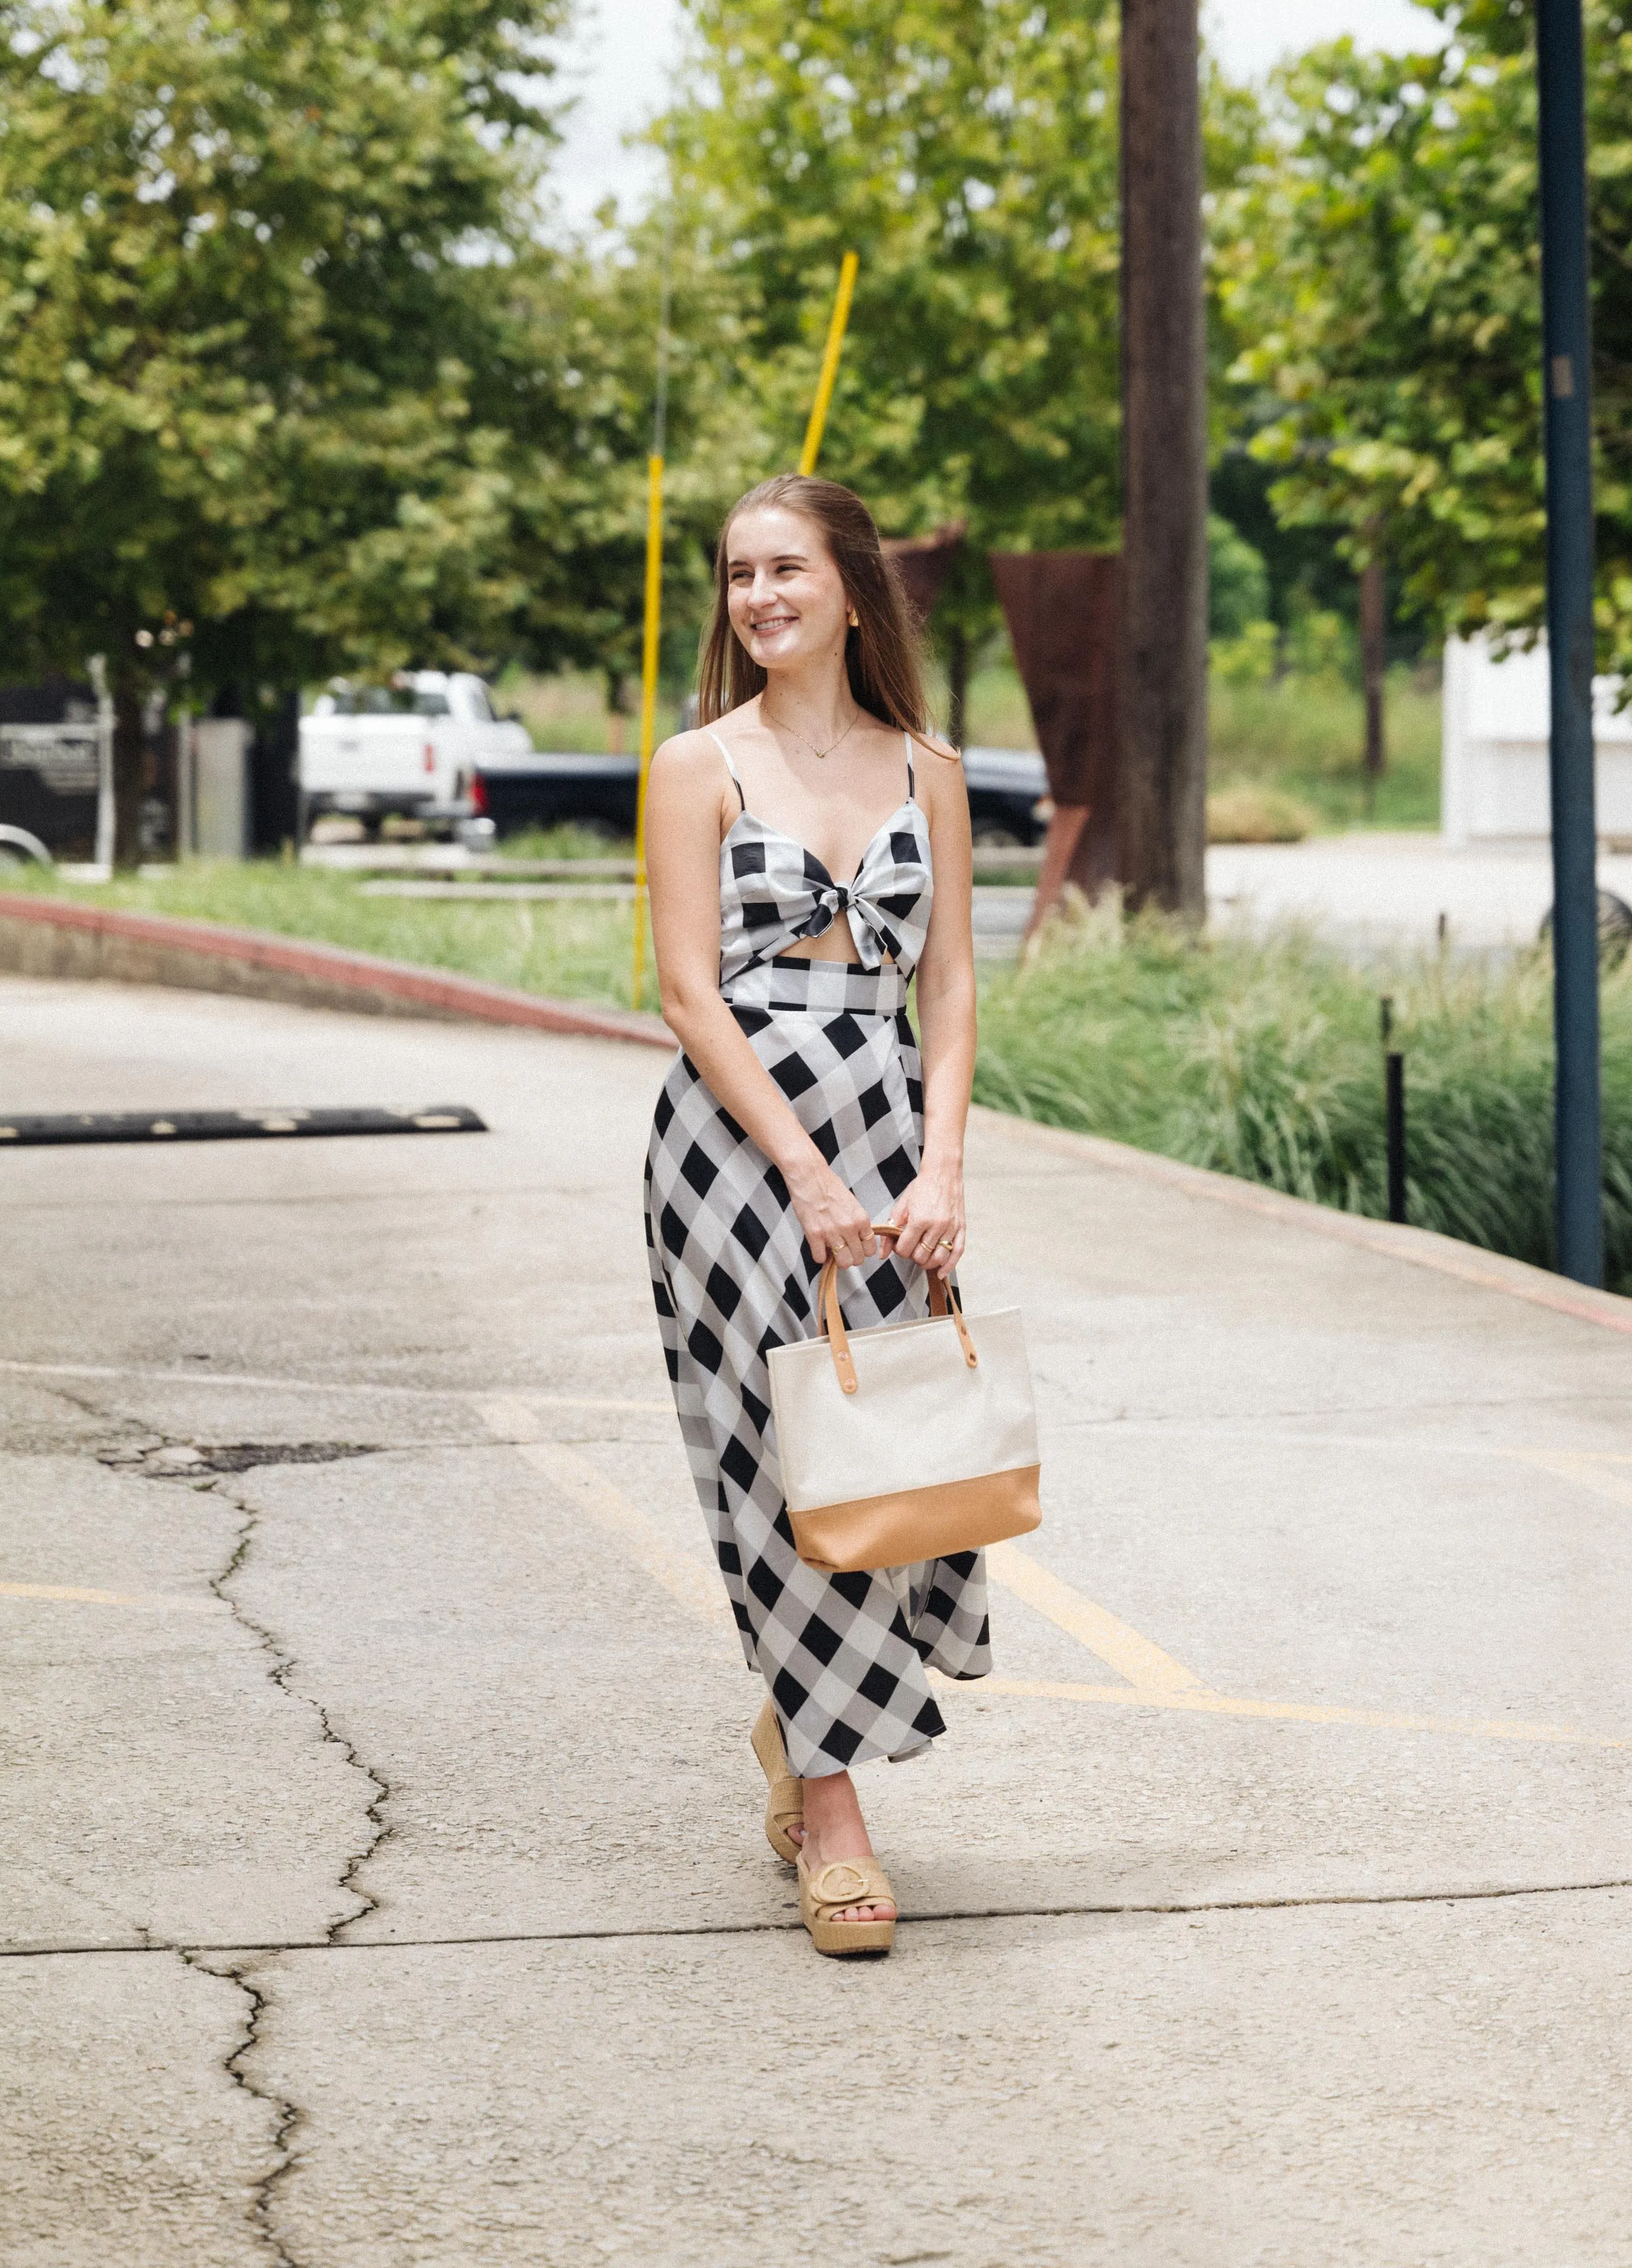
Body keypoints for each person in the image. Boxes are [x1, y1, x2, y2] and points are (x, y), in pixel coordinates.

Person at [642, 473, 989, 1957]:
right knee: (783, 1467)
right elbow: (683, 991)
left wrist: (942, 1167)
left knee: (886, 1463)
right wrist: (804, 1170)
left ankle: (799, 1733)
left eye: (786, 568)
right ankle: (836, 1820)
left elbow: (954, 986)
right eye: (737, 575)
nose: (759, 597)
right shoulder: (693, 763)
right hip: (735, 1155)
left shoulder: (931, 770)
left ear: (853, 587)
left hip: (891, 1134)